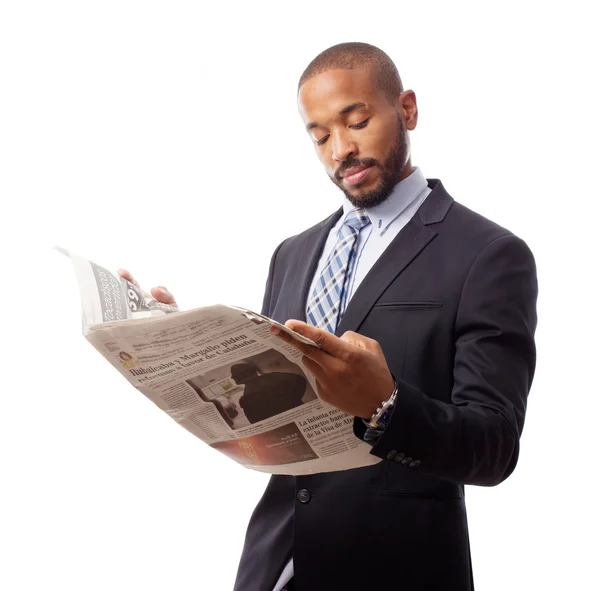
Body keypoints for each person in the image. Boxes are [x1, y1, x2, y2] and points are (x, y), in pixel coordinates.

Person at [120, 42, 538, 591]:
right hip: (274, 568)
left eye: (357, 121)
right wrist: (183, 352)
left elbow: (495, 446)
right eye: (319, 136)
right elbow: (271, 409)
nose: (341, 148)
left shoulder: (488, 254)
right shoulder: (292, 253)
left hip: (398, 569)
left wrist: (386, 406)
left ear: (407, 110)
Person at [231, 362, 307, 424]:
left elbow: (300, 380)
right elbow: (300, 380)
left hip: (290, 420)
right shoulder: (272, 377)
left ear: (244, 374)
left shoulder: (271, 378)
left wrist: (294, 400)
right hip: (291, 418)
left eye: (235, 375)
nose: (233, 378)